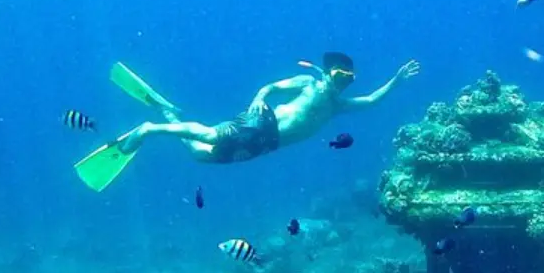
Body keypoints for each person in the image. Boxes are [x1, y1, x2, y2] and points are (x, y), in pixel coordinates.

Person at [74, 53, 421, 192]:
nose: (342, 81)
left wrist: (398, 79)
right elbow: (272, 86)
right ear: (328, 71)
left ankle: (167, 114)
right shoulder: (311, 84)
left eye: (348, 79)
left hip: (268, 144)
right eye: (339, 74)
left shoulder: (338, 106)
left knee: (202, 154)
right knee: (211, 134)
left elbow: (373, 100)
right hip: (262, 124)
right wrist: (259, 98)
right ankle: (150, 129)